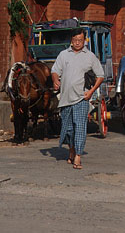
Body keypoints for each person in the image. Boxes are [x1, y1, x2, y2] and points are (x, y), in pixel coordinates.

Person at [51, 28, 104, 170]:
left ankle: (78, 157)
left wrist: (91, 91)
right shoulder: (63, 55)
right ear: (71, 40)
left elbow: (100, 75)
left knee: (80, 127)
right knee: (68, 129)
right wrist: (55, 80)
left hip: (82, 98)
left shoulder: (90, 56)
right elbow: (55, 70)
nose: (77, 43)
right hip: (66, 99)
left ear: (84, 40)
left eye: (80, 40)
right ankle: (72, 149)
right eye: (75, 40)